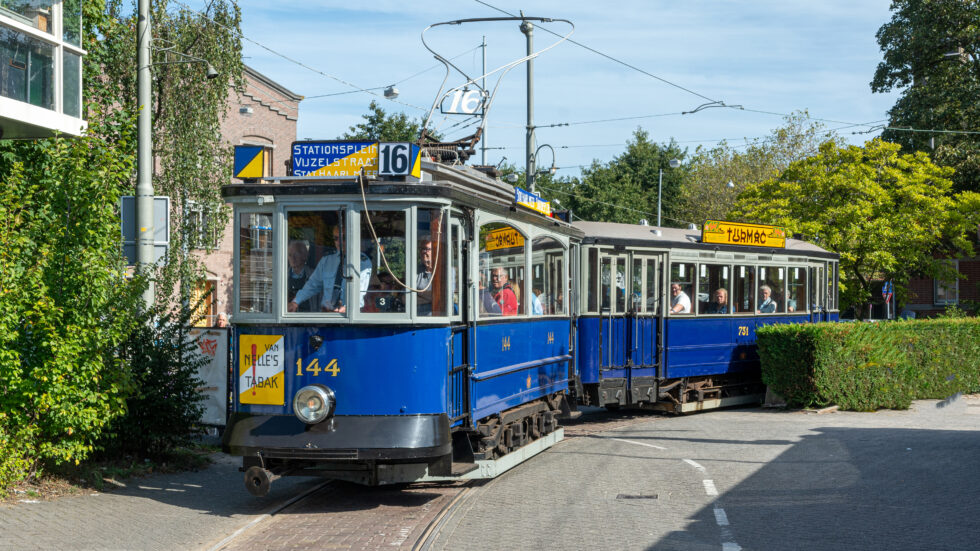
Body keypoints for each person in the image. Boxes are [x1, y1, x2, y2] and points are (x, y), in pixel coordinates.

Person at [288, 225, 372, 313]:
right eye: (336, 238)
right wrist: (295, 302)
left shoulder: (362, 262)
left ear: (352, 238)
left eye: (343, 238)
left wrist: (348, 308)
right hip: (327, 314)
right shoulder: (327, 260)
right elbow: (313, 284)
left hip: (350, 315)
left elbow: (360, 291)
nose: (339, 242)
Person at [287, 240, 315, 312]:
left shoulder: (314, 276)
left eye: (296, 254)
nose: (293, 258)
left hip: (309, 319)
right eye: (290, 255)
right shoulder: (282, 276)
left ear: (304, 256)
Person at [416, 240, 434, 315]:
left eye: (427, 249)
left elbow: (440, 299)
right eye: (422, 249)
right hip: (416, 319)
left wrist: (417, 292)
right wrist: (430, 299)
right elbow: (405, 298)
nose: (424, 252)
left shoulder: (444, 271)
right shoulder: (416, 270)